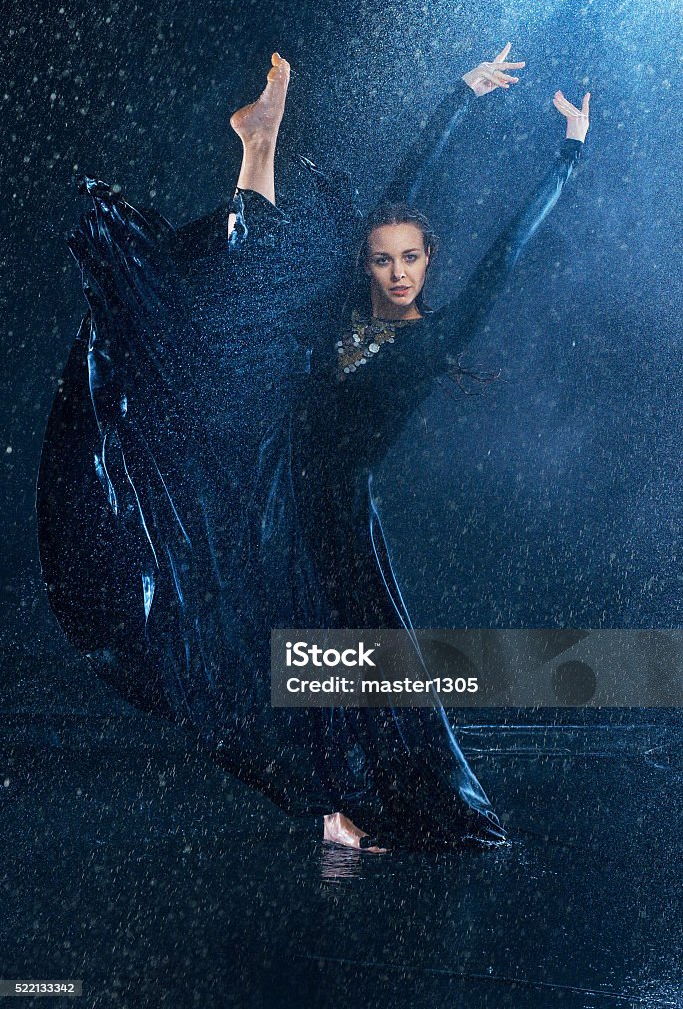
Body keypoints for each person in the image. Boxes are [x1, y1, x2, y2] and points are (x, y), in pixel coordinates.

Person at [37, 46, 589, 853]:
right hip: (265, 468)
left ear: (428, 263)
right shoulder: (344, 301)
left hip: (329, 520)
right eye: (383, 258)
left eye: (411, 259)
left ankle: (342, 799)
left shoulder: (430, 340)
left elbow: (503, 256)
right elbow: (407, 184)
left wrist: (567, 154)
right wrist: (459, 97)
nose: (396, 273)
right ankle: (259, 141)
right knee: (253, 290)